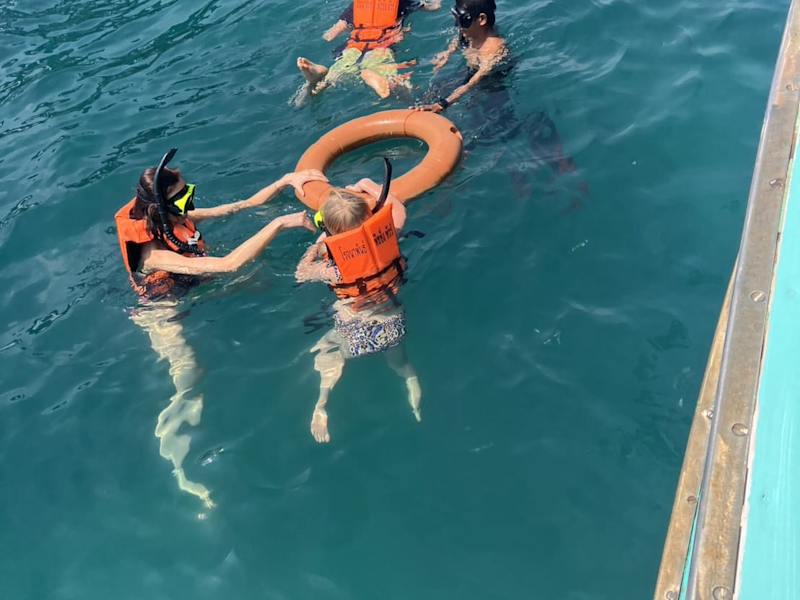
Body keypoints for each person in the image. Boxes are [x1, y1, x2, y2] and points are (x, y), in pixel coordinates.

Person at [116, 148, 325, 508]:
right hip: (161, 310)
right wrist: (279, 224)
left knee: (263, 282)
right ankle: (178, 454)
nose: (190, 197)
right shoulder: (153, 254)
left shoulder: (174, 217)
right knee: (190, 372)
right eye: (182, 194)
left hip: (191, 286)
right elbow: (228, 264)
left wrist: (285, 181)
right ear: (162, 206)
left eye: (187, 189)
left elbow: (238, 207)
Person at [295, 168, 421, 444]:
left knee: (327, 353)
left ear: (329, 230)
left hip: (352, 323)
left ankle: (322, 402)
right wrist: (367, 184)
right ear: (368, 218)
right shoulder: (391, 234)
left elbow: (301, 273)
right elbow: (398, 208)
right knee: (401, 364)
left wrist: (317, 246)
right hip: (391, 319)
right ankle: (412, 387)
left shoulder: (334, 268)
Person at [297, 0, 441, 99]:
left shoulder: (357, 5)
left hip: (352, 47)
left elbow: (330, 35)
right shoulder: (403, 1)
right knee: (392, 81)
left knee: (339, 72)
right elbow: (433, 7)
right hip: (381, 48)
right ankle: (373, 77)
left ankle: (321, 73)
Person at [413, 0, 506, 113]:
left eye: (462, 21)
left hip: (490, 84)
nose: (458, 26)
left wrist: (444, 103)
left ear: (481, 19)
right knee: (430, 92)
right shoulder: (469, 30)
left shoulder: (493, 49)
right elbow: (459, 39)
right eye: (456, 18)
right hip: (469, 72)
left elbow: (471, 84)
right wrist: (447, 53)